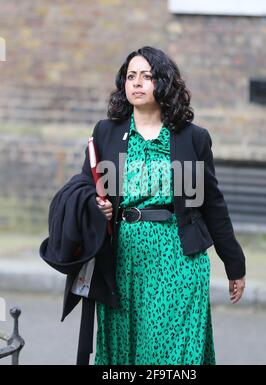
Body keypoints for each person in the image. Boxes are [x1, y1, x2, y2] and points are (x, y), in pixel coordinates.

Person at [40, 46, 246, 365]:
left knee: (168, 352)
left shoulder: (193, 138)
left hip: (176, 257)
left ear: (163, 83)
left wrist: (234, 264)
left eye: (146, 76)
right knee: (124, 351)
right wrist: (99, 208)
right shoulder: (106, 133)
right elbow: (85, 186)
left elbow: (213, 205)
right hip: (121, 258)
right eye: (130, 76)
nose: (136, 83)